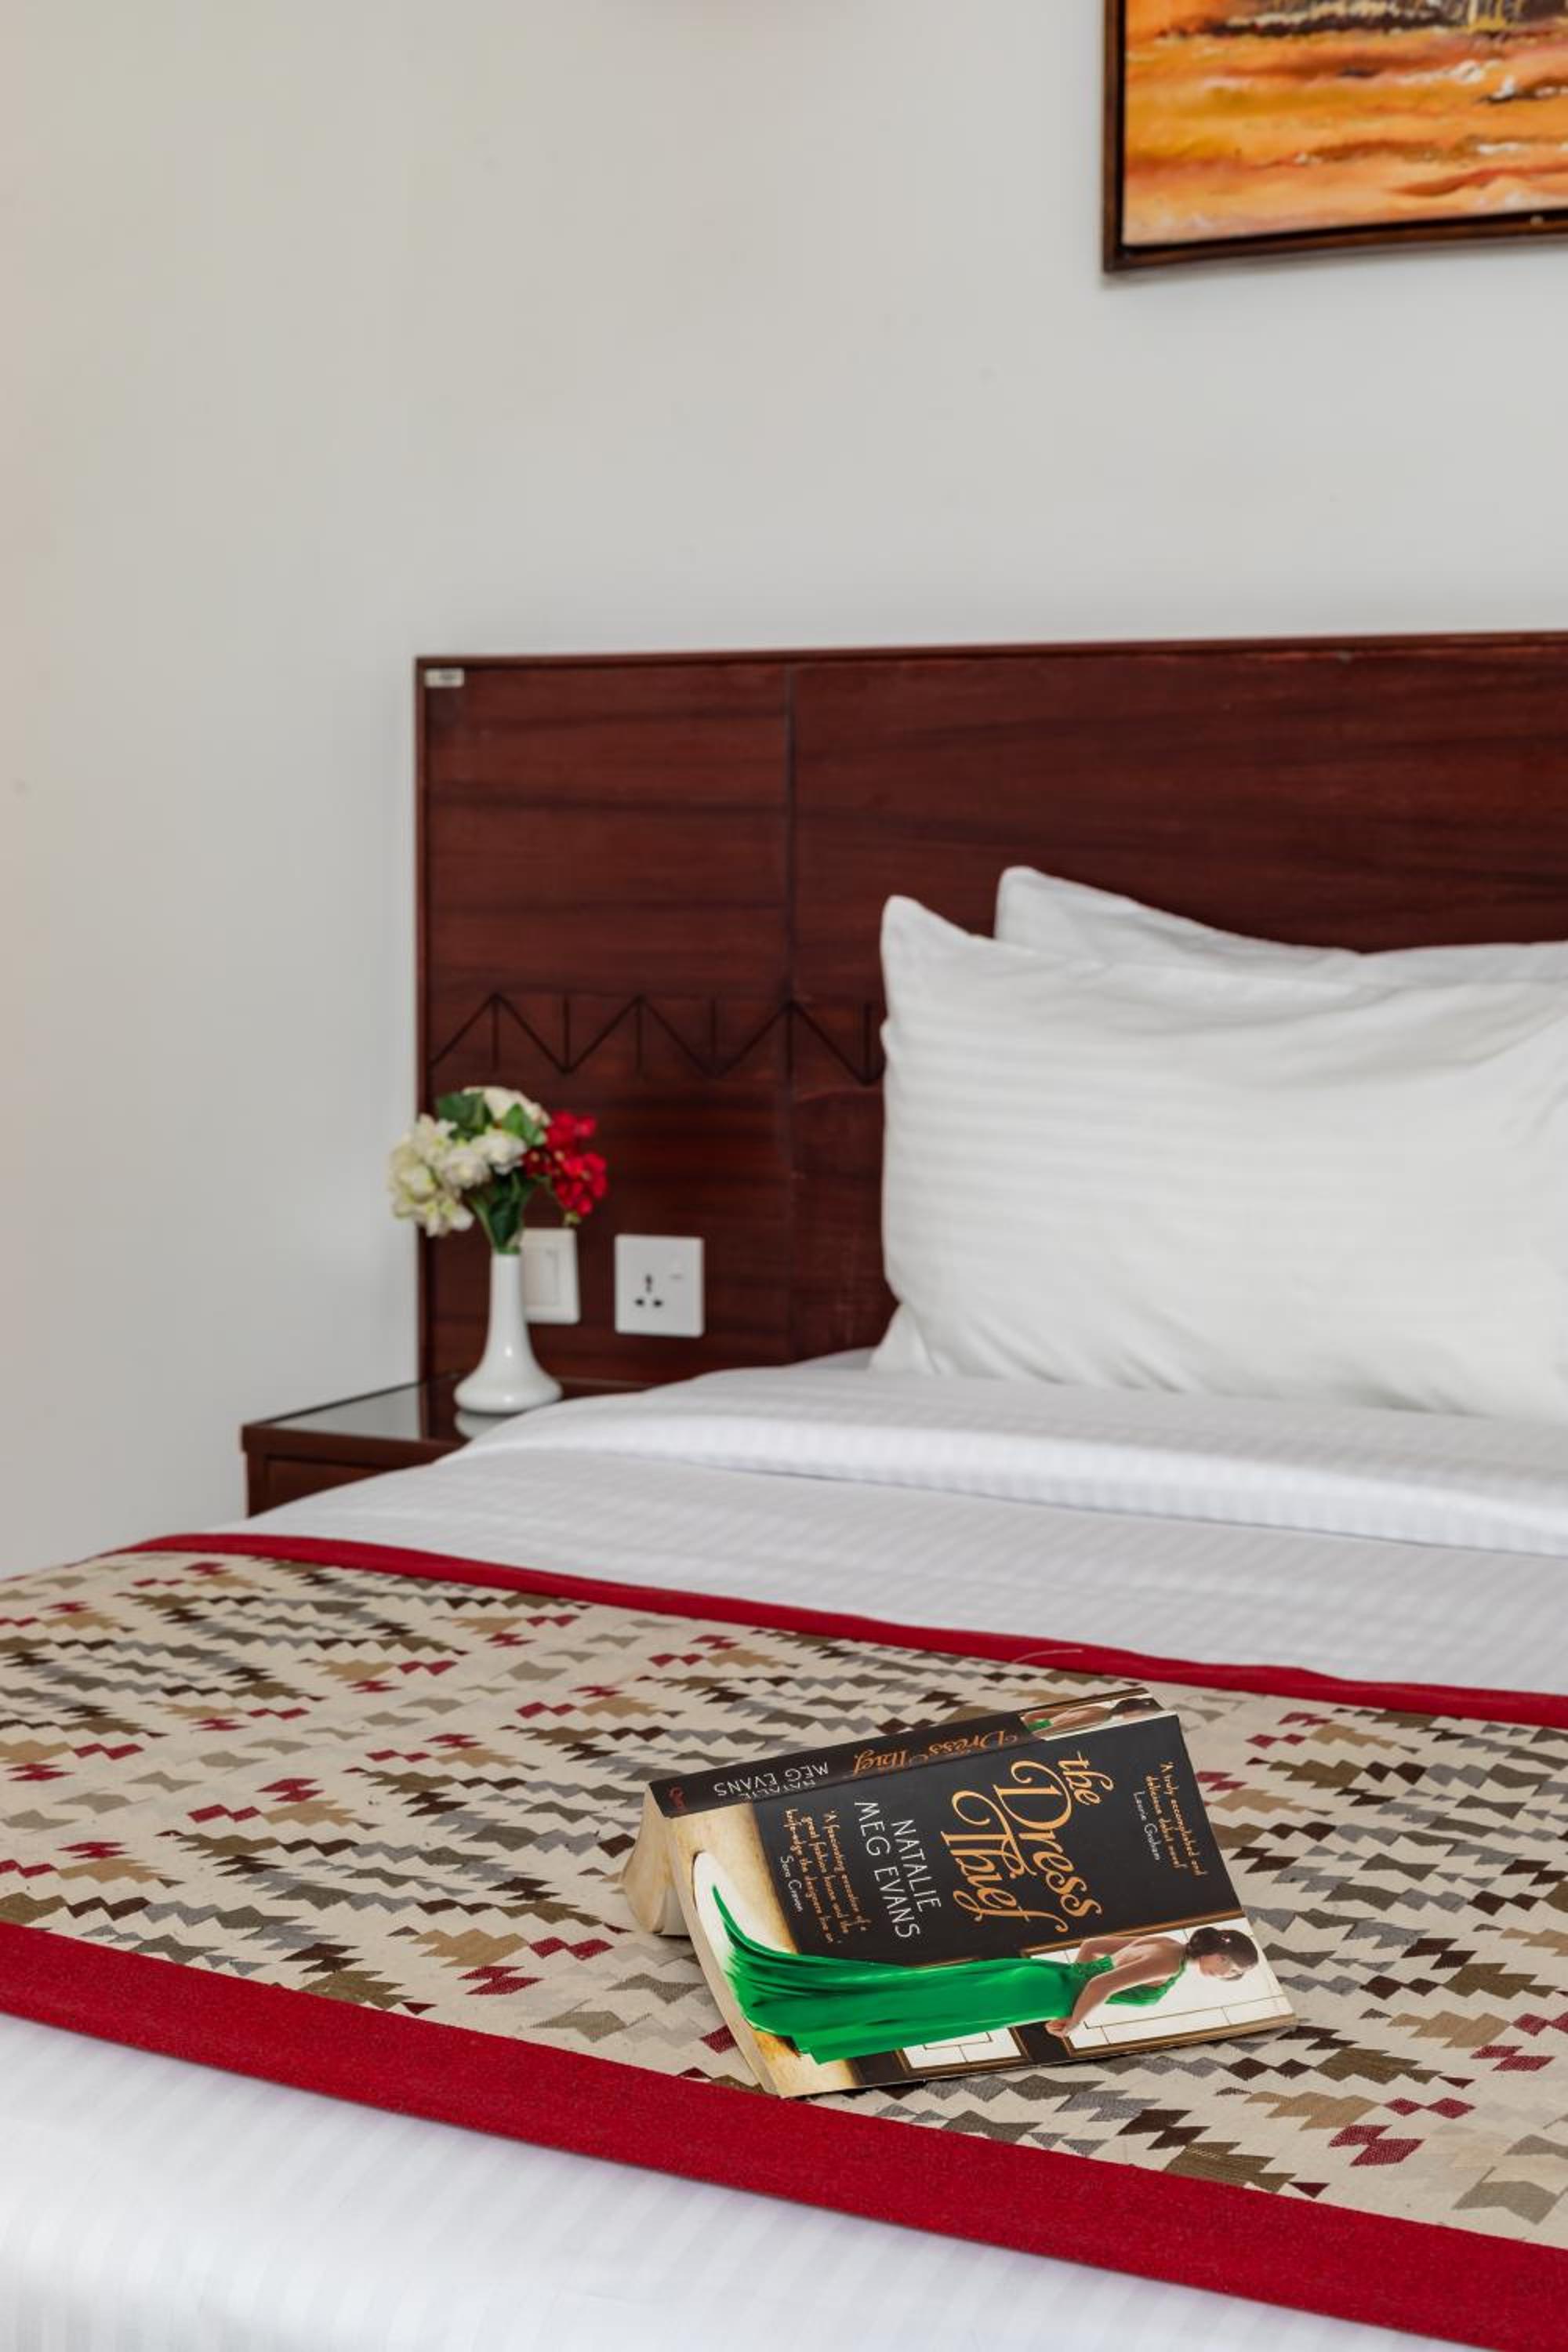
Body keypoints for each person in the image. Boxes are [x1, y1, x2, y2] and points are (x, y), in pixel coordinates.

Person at [714, 1900, 1259, 2066]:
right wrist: (1072, 2020)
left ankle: (807, 2010)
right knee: (927, 2009)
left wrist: (1074, 1976)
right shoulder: (1168, 1964)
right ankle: (799, 2015)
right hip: (1042, 1992)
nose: (1226, 1976)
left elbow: (1094, 1947)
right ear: (1220, 1954)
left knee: (923, 1997)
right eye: (1231, 1970)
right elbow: (1104, 1986)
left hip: (1039, 1979)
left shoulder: (1164, 1942)